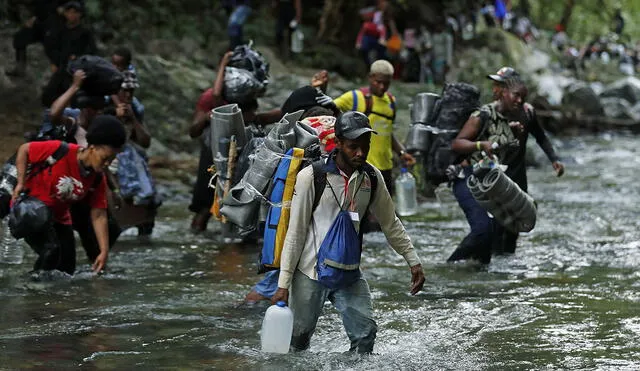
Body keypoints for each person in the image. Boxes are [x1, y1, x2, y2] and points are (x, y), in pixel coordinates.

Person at [271, 111, 425, 353]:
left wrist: (413, 261)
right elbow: (296, 232)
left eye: (365, 146)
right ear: (339, 142)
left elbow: (390, 222)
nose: (360, 153)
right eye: (353, 146)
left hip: (348, 271)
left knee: (365, 335)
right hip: (310, 272)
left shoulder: (371, 177)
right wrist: (283, 284)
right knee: (297, 342)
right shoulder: (312, 177)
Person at [446, 68, 564, 264]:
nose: (497, 89)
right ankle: (479, 267)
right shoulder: (485, 115)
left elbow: (540, 137)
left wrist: (554, 159)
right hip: (491, 182)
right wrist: (481, 145)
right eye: (498, 86)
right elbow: (460, 144)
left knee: (513, 229)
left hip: (517, 179)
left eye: (502, 85)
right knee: (491, 229)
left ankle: (503, 270)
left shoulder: (527, 113)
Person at [12, 115, 126, 275]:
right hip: (32, 210)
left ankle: (52, 296)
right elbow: (25, 149)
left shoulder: (97, 179)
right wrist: (21, 182)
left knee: (66, 268)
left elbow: (99, 214)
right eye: (105, 158)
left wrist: (104, 251)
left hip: (59, 217)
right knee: (51, 251)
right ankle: (32, 289)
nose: (107, 164)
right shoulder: (61, 150)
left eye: (112, 159)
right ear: (92, 148)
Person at [188, 51, 260, 232]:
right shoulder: (211, 98)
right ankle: (197, 235)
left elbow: (258, 117)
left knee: (237, 204)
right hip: (213, 156)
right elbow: (194, 130)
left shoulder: (247, 99)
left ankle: (232, 241)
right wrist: (205, 118)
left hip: (239, 155)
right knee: (204, 206)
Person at [334, 60, 415, 197]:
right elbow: (328, 111)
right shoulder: (354, 97)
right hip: (362, 165)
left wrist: (401, 153)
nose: (382, 87)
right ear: (370, 77)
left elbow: (388, 133)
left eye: (387, 83)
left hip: (386, 167)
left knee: (383, 213)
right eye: (378, 82)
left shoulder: (391, 101)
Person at [41, 1, 97, 107]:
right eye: (69, 12)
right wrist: (54, 62)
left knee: (75, 96)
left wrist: (78, 58)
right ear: (65, 14)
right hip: (61, 67)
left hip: (77, 69)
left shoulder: (85, 32)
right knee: (49, 95)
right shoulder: (60, 30)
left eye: (75, 12)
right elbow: (50, 47)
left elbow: (92, 51)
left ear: (80, 14)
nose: (72, 15)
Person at [5, 0, 63, 77]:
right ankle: (20, 70)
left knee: (52, 49)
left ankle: (61, 77)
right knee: (20, 38)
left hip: (52, 24)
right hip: (38, 22)